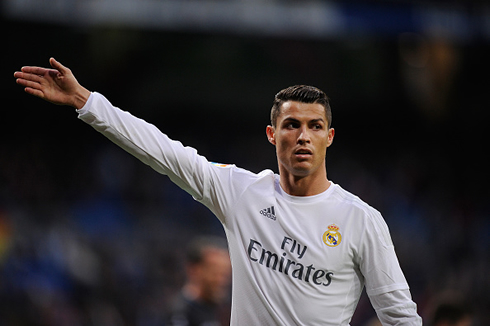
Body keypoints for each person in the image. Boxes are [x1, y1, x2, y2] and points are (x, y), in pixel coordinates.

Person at [14, 58, 422, 325]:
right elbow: (164, 152)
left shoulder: (360, 219)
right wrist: (86, 101)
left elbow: (399, 316)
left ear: (329, 137)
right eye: (291, 125)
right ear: (271, 134)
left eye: (315, 127)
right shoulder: (242, 192)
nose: (303, 136)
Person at [167, 236, 232, 326]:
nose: (222, 281)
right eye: (215, 273)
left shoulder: (216, 309)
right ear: (194, 270)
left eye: (225, 274)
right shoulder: (181, 313)